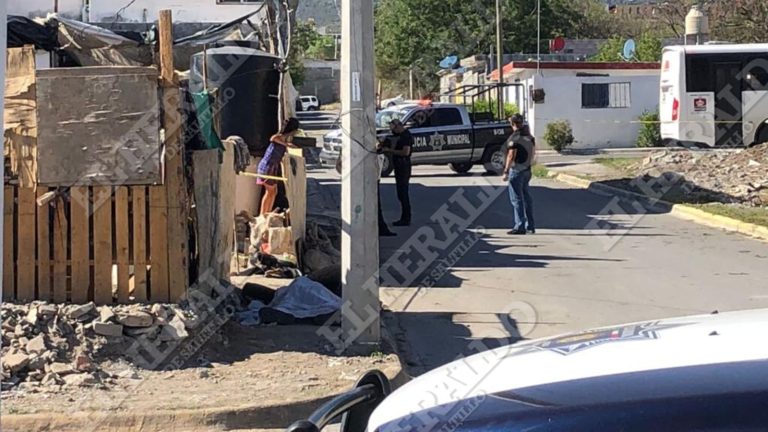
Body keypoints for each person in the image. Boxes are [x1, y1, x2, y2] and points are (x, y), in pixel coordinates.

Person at [257, 117, 300, 216]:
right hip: (267, 166)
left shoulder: (284, 140)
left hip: (272, 167)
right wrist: (286, 145)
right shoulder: (279, 137)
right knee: (269, 191)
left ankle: (267, 213)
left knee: (273, 192)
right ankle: (263, 214)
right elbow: (273, 138)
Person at [503, 114, 536, 235]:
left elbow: (511, 155)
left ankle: (520, 226)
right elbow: (533, 153)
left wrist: (506, 171)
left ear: (512, 124)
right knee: (526, 197)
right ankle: (530, 225)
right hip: (527, 169)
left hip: (516, 170)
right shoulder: (529, 136)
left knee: (516, 198)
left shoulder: (514, 137)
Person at [382, 119, 413, 227]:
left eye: (394, 129)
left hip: (404, 165)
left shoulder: (405, 136)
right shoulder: (398, 135)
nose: (393, 132)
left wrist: (390, 151)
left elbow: (405, 152)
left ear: (399, 126)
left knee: (403, 193)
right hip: (398, 165)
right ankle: (404, 217)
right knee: (400, 193)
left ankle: (406, 218)